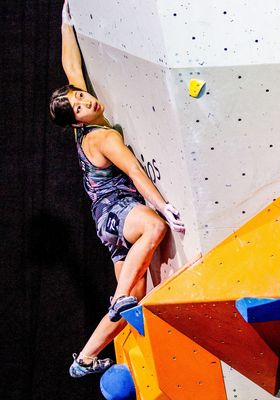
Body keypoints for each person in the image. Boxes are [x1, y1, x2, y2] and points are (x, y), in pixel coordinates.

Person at [49, 1, 185, 378]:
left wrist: (66, 25)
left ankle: (84, 359)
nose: (86, 100)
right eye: (79, 105)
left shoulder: (83, 126)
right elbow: (136, 172)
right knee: (154, 228)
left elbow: (72, 68)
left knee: (133, 299)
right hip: (118, 211)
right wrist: (163, 206)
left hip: (105, 226)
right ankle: (121, 297)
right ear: (76, 121)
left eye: (81, 97)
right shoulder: (103, 136)